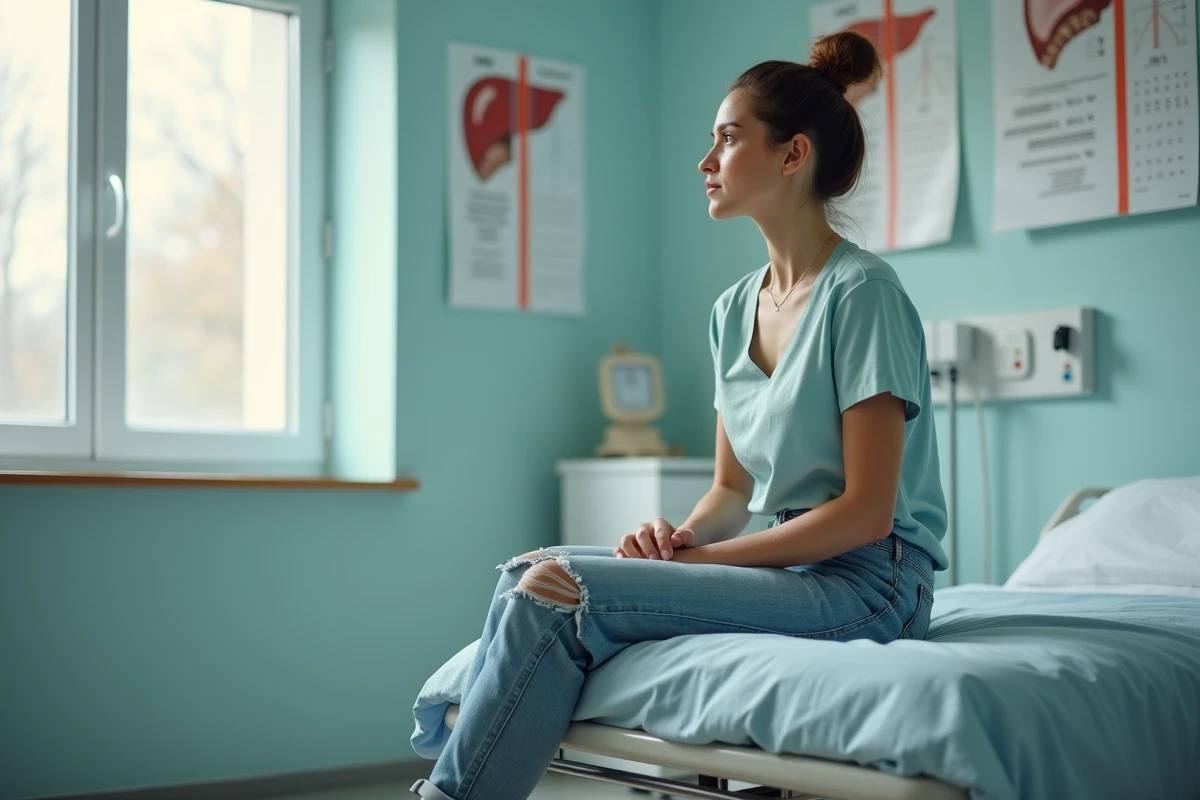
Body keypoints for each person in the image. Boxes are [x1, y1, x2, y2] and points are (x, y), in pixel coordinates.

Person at [411, 30, 948, 800]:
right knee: (528, 573)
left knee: (558, 592)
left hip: (874, 585)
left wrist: (701, 566)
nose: (705, 161)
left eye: (727, 139)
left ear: (793, 155)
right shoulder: (731, 311)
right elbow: (731, 492)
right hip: (792, 563)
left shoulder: (863, 295)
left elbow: (866, 514)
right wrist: (681, 539)